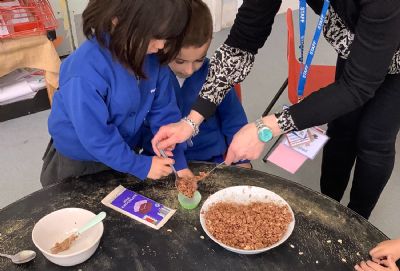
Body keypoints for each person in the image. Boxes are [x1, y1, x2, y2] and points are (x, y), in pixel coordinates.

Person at [152, 0, 400, 220]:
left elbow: (357, 86)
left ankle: (358, 221)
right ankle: (331, 205)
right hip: (357, 41)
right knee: (343, 125)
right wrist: (192, 121)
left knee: (374, 139)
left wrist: (266, 127)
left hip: (392, 45)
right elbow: (243, 41)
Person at [40, 0, 192, 187]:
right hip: (80, 161)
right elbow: (96, 137)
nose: (161, 46)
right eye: (155, 36)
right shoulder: (84, 72)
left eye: (167, 37)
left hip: (124, 151)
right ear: (116, 20)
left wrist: (178, 163)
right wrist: (140, 165)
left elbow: (164, 113)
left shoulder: (152, 58)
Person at [140, 0, 250, 171]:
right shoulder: (148, 75)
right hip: (161, 161)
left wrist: (241, 159)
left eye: (199, 59)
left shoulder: (216, 76)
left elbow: (234, 120)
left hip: (211, 160)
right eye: (180, 61)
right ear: (161, 45)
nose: (189, 70)